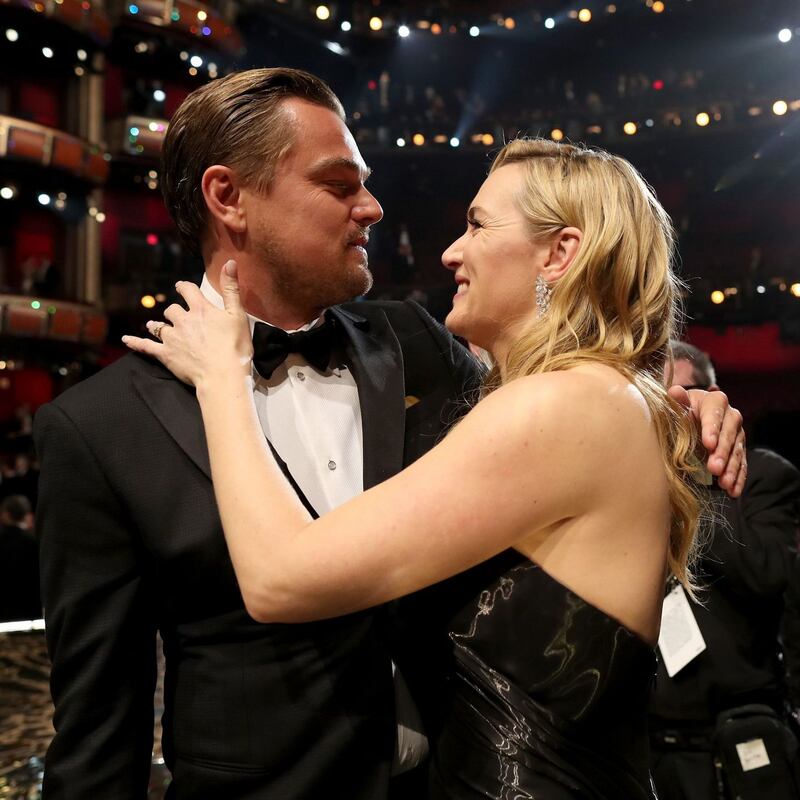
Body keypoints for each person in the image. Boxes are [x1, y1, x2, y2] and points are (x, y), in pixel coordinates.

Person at [35, 68, 742, 800]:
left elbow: (564, 439)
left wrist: (683, 410)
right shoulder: (97, 428)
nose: (373, 208)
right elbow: (98, 734)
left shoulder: (413, 343)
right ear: (228, 198)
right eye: (339, 185)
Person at [650, 341, 800, 800]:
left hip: (741, 732)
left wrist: (697, 479)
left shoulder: (762, 475)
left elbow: (767, 574)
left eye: (687, 395)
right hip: (654, 741)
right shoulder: (639, 478)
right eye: (662, 400)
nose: (675, 411)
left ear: (712, 394)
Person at [0, 494, 40, 622]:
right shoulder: (36, 543)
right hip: (32, 611)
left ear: (5, 514)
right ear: (27, 515)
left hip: (4, 610)